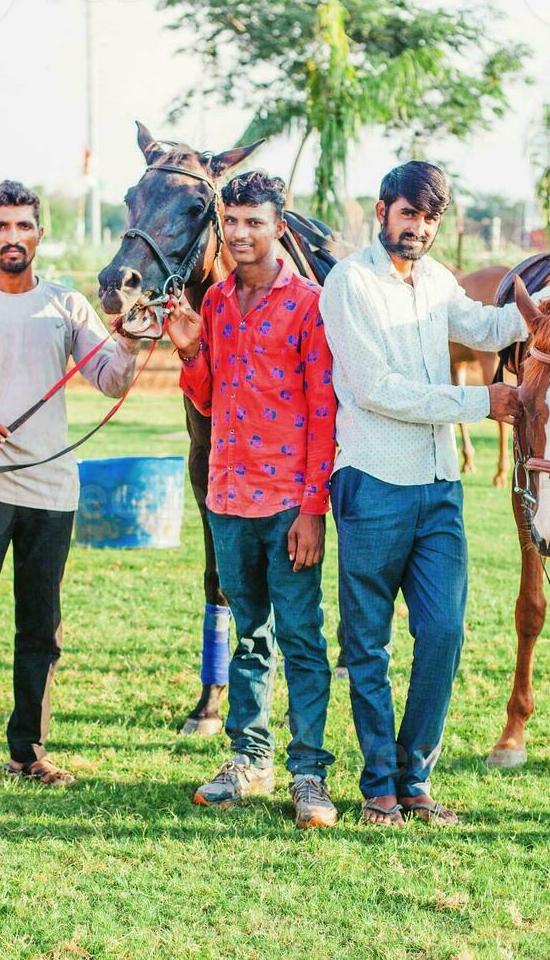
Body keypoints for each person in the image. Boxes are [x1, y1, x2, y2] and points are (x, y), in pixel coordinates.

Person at [318, 161, 525, 826]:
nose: (419, 228)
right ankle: (380, 785)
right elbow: (377, 388)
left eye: (430, 219)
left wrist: (542, 302)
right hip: (373, 483)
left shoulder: (437, 282)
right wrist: (479, 401)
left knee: (443, 633)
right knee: (369, 646)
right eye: (409, 214)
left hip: (439, 491)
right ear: (383, 211)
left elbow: (489, 330)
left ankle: (415, 779)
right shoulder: (349, 284)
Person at [0, 180, 142, 790]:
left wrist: (126, 340)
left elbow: (109, 380)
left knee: (40, 627)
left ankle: (28, 750)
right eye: (1, 226)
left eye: (23, 226)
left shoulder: (68, 307)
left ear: (39, 235)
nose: (12, 237)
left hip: (51, 493)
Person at [164, 170, 339, 827]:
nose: (239, 234)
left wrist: (313, 510)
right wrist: (188, 353)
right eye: (230, 222)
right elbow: (209, 399)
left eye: (253, 222)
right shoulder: (213, 306)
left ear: (278, 225)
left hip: (288, 502)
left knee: (299, 637)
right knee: (248, 638)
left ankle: (310, 773)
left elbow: (324, 411)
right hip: (228, 498)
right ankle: (249, 759)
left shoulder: (309, 303)